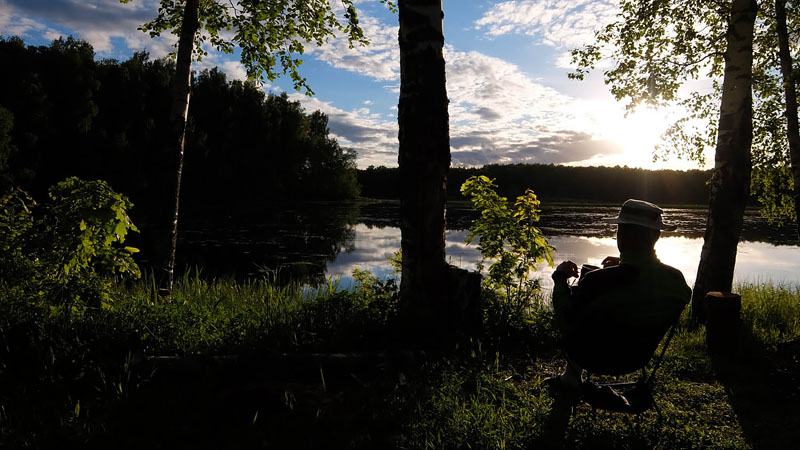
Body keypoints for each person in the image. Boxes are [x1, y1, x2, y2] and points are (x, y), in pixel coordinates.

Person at [548, 199, 691, 395]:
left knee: (577, 314)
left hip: (594, 357)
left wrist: (560, 278)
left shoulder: (597, 282)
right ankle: (569, 379)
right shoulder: (677, 280)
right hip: (638, 358)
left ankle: (571, 380)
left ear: (621, 236)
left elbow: (565, 321)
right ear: (656, 235)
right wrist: (625, 263)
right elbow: (646, 285)